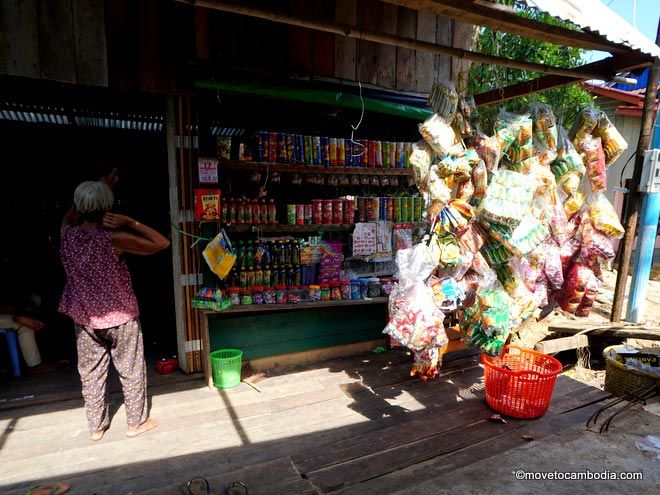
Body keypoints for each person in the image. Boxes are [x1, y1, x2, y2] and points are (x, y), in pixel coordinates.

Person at [59, 169, 170, 441]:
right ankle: (136, 423)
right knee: (130, 369)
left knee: (91, 373)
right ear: (108, 208)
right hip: (121, 316)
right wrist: (130, 221)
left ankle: (96, 428)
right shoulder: (113, 238)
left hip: (85, 318)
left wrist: (97, 187)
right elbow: (161, 242)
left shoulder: (67, 235)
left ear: (80, 206)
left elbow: (70, 216)